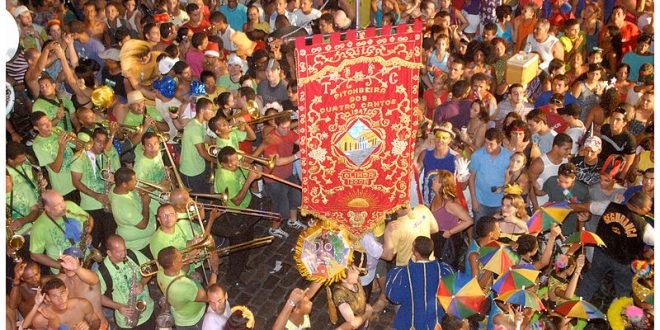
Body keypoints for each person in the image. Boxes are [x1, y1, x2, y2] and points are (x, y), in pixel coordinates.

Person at [576, 192, 654, 300]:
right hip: (625, 263)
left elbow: (585, 206)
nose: (649, 210)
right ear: (638, 208)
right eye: (647, 208)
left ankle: (576, 306)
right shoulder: (644, 227)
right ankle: (619, 314)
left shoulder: (608, 206)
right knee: (623, 292)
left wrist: (567, 207)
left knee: (592, 279)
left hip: (602, 253)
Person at [211, 146, 262, 285]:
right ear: (223, 164)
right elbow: (237, 201)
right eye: (233, 162)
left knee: (248, 241)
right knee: (238, 248)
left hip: (247, 208)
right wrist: (249, 180)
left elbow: (257, 175)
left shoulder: (235, 166)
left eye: (237, 159)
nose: (237, 163)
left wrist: (251, 169)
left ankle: (242, 265)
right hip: (236, 214)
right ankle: (233, 277)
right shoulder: (225, 177)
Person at [253, 113, 305, 237]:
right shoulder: (271, 138)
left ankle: (293, 221)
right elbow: (276, 162)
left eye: (288, 127)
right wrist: (296, 156)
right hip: (273, 179)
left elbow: (300, 141)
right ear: (276, 125)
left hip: (287, 174)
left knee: (296, 197)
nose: (287, 130)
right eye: (283, 127)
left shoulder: (289, 133)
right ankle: (274, 228)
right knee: (280, 207)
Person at [71, 127, 120, 250]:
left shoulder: (105, 156)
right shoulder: (79, 157)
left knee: (109, 240)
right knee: (92, 241)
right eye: (99, 141)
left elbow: (113, 174)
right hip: (90, 206)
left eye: (104, 142)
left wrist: (112, 179)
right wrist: (95, 195)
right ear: (92, 140)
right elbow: (76, 182)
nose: (102, 145)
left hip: (107, 205)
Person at [97, 235, 156, 330]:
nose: (124, 254)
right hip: (126, 321)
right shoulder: (103, 271)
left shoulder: (133, 254)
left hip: (147, 310)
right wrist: (119, 307)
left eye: (124, 249)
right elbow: (98, 296)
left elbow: (151, 268)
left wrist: (142, 282)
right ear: (109, 253)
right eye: (119, 252)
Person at [385, 236, 445, 329]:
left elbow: (394, 297)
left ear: (415, 252)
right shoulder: (444, 270)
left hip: (408, 322)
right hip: (438, 321)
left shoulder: (401, 273)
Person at [29, 190, 93, 274]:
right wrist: (61, 265)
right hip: (64, 271)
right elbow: (35, 255)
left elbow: (89, 218)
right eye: (58, 205)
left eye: (62, 200)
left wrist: (89, 231)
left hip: (85, 259)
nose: (64, 206)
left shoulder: (70, 205)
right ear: (47, 208)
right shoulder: (39, 227)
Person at [156, 246, 220, 329]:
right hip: (194, 320)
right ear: (174, 264)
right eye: (181, 257)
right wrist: (215, 270)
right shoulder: (184, 287)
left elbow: (182, 272)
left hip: (180, 316)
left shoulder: (161, 272)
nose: (183, 257)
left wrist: (188, 259)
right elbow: (209, 297)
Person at [428, 170, 473, 267]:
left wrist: (450, 232)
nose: (432, 181)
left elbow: (469, 220)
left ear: (442, 184)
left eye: (435, 180)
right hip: (437, 239)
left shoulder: (449, 203)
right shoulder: (436, 198)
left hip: (447, 241)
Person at [109, 167, 157, 257]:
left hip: (147, 240)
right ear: (124, 184)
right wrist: (145, 204)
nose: (136, 182)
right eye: (134, 181)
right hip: (140, 247)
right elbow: (142, 225)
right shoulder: (123, 206)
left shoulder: (116, 188)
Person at [31, 112, 79, 203]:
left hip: (77, 179)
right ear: (36, 128)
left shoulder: (57, 129)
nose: (49, 125)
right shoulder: (37, 145)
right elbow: (56, 168)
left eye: (48, 121)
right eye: (44, 124)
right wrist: (61, 147)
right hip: (64, 188)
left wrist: (74, 139)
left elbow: (76, 147)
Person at [469, 128, 512, 223]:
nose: (488, 146)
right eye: (486, 143)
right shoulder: (477, 155)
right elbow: (472, 178)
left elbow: (512, 178)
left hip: (500, 202)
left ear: (499, 143)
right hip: (480, 201)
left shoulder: (509, 156)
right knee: (480, 231)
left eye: (491, 144)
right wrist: (474, 199)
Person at [55, 253, 108, 328]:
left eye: (72, 262)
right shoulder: (61, 280)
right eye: (66, 262)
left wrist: (76, 268)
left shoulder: (90, 278)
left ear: (81, 263)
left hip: (99, 326)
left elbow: (94, 279)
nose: (69, 267)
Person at [30, 277, 102, 329]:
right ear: (48, 298)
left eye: (62, 293)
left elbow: (96, 321)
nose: (61, 299)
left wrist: (89, 327)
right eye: (55, 296)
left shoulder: (82, 304)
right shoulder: (40, 319)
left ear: (67, 291)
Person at [180, 98, 217, 193]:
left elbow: (207, 139)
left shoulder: (201, 124)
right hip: (191, 172)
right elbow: (202, 153)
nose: (213, 113)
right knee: (197, 199)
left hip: (199, 167)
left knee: (204, 194)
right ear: (202, 111)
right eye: (211, 110)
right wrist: (217, 161)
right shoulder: (194, 127)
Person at [7, 143, 43, 240]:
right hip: (27, 207)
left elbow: (33, 174)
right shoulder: (6, 173)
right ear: (10, 160)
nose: (24, 160)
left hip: (38, 199)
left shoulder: (26, 159)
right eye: (20, 159)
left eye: (24, 156)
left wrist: (40, 181)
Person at [542, 163, 590, 234]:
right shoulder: (551, 181)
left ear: (574, 178)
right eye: (561, 181)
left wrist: (587, 218)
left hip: (569, 230)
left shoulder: (583, 190)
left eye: (566, 182)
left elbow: (585, 212)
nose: (563, 185)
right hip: (550, 227)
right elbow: (541, 194)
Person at [331, 264, 373, 329]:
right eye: (352, 270)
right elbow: (353, 323)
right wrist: (367, 314)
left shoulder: (355, 281)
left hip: (362, 321)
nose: (358, 272)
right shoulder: (340, 294)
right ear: (343, 278)